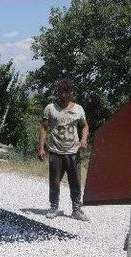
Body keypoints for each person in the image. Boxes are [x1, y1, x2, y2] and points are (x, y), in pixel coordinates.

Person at [38, 78, 90, 221]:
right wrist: (41, 147)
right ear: (58, 92)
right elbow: (44, 128)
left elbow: (85, 126)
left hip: (73, 152)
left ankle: (76, 210)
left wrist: (83, 140)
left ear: (71, 93)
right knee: (54, 181)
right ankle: (54, 207)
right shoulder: (50, 108)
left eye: (66, 92)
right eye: (61, 92)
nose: (63, 95)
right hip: (55, 151)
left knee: (76, 182)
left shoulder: (78, 109)